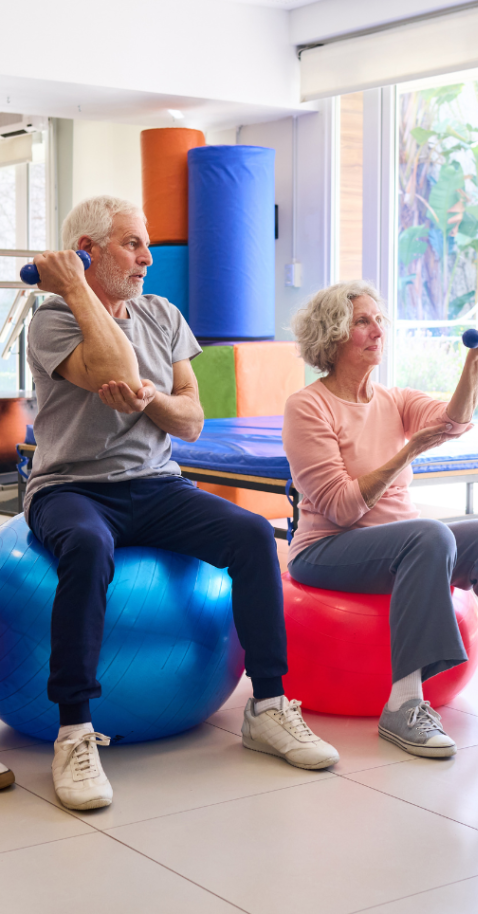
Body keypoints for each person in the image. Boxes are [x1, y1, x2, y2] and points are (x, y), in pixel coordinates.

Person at [25, 196, 339, 811]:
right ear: (86, 252)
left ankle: (269, 705)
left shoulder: (164, 314)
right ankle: (75, 731)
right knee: (86, 546)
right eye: (131, 245)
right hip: (70, 487)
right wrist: (78, 288)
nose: (148, 258)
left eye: (145, 244)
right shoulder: (52, 319)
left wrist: (150, 401)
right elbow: (112, 365)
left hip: (157, 484)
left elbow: (191, 420)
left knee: (253, 535)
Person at [282, 281, 478, 758]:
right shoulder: (308, 406)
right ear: (332, 335)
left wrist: (476, 360)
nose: (378, 331)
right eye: (362, 322)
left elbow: (452, 422)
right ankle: (403, 705)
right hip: (327, 550)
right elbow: (340, 508)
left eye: (379, 320)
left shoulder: (392, 399)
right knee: (428, 536)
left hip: (404, 547)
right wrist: (407, 452)